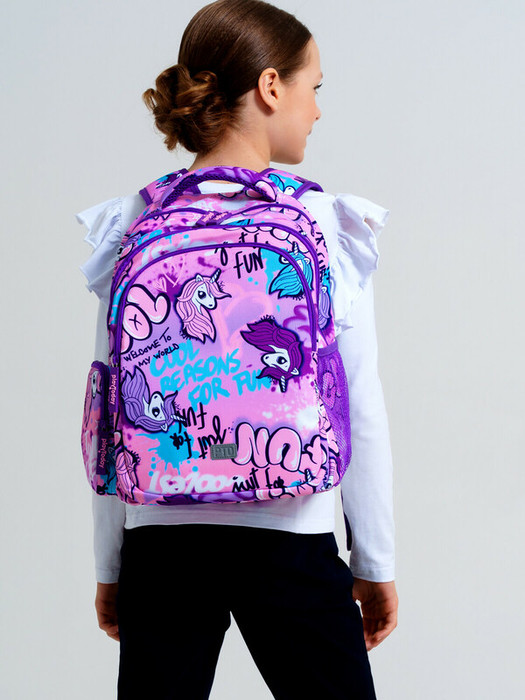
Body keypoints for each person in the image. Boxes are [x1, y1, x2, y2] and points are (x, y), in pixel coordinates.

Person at [77, 1, 398, 697]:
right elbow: (360, 403)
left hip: (161, 536)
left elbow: (110, 402)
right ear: (271, 86)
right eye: (315, 87)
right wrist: (374, 559)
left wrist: (111, 563)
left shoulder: (135, 219)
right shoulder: (320, 221)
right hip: (292, 527)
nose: (317, 109)